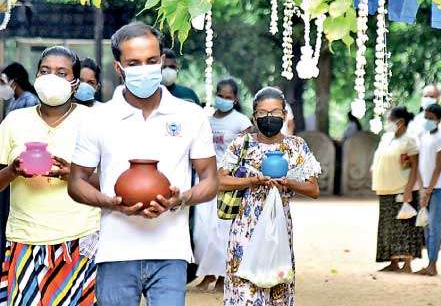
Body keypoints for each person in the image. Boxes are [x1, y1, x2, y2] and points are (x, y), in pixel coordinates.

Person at [68, 22, 219, 306]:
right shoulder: (98, 118)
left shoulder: (190, 115)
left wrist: (181, 198)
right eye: (134, 63)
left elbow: (211, 180)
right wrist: (111, 203)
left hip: (171, 253)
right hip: (115, 252)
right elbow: (75, 182)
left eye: (151, 61)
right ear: (118, 68)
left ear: (162, 60)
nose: (145, 68)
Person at [0, 46, 99, 305]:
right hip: (25, 239)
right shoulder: (14, 121)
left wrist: (74, 175)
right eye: (45, 71)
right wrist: (12, 171)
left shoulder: (94, 122)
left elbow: (114, 183)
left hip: (79, 240)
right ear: (36, 76)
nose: (52, 77)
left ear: (75, 83)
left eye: (62, 72)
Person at [220, 87, 320, 305]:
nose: (269, 117)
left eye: (275, 112)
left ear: (284, 115)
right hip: (245, 231)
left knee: (278, 290)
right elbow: (220, 181)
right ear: (254, 116)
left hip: (279, 231)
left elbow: (313, 189)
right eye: (263, 113)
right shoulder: (241, 144)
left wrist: (288, 182)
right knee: (244, 291)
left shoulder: (296, 146)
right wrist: (252, 180)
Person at [194, 78, 252, 292]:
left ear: (235, 99)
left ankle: (221, 277)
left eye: (229, 97)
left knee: (222, 229)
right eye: (221, 96)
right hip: (206, 179)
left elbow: (251, 146)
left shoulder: (241, 121)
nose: (224, 100)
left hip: (229, 181)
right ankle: (207, 273)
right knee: (203, 232)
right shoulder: (207, 120)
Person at [371, 106, 423, 273]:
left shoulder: (410, 140)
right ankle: (392, 261)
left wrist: (409, 190)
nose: (388, 123)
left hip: (402, 189)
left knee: (404, 226)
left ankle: (407, 263)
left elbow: (415, 166)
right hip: (385, 189)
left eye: (390, 120)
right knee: (388, 226)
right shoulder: (386, 137)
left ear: (400, 122)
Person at [0, 62, 41, 268]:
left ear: (14, 81)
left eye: (3, 82)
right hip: (10, 167)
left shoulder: (29, 101)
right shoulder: (13, 102)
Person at [417, 103, 441, 277]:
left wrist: (428, 190)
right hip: (426, 188)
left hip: (436, 189)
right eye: (426, 117)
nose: (428, 121)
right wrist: (422, 187)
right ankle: (429, 261)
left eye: (431, 118)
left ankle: (433, 263)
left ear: (438, 119)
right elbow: (423, 164)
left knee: (435, 225)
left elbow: (438, 167)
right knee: (426, 226)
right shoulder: (424, 136)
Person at [408, 85, 441, 176]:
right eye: (425, 96)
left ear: (438, 98)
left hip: (440, 174)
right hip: (419, 173)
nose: (428, 99)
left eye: (431, 96)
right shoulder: (416, 120)